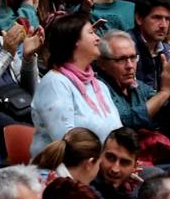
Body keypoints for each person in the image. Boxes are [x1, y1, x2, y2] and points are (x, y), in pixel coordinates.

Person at [30, 12, 120, 157]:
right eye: (91, 32)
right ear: (73, 41)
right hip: (65, 172)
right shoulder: (55, 83)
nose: (98, 38)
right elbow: (65, 141)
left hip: (105, 167)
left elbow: (118, 132)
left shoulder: (99, 86)